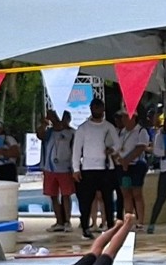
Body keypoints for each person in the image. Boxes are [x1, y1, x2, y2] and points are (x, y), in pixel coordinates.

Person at [72, 99, 118, 237]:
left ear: (103, 109)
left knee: (108, 200)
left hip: (106, 168)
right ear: (91, 108)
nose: (97, 110)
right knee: (86, 200)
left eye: (99, 107)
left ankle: (110, 226)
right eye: (95, 107)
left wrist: (112, 150)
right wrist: (76, 169)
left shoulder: (109, 127)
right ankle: (86, 227)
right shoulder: (83, 128)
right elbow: (76, 149)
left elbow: (117, 144)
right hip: (88, 168)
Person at [42, 111, 77, 233]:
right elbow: (40, 135)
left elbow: (76, 150)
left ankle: (67, 221)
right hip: (49, 168)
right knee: (53, 196)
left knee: (66, 195)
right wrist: (43, 123)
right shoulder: (50, 132)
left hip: (65, 168)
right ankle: (59, 221)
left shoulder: (72, 133)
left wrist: (74, 167)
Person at [114, 110, 150, 223]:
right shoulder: (121, 132)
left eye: (126, 117)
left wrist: (126, 160)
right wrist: (120, 160)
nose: (123, 119)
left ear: (133, 118)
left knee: (137, 193)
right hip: (123, 167)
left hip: (136, 166)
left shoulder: (140, 131)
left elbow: (140, 148)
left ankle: (140, 221)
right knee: (126, 193)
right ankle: (128, 221)